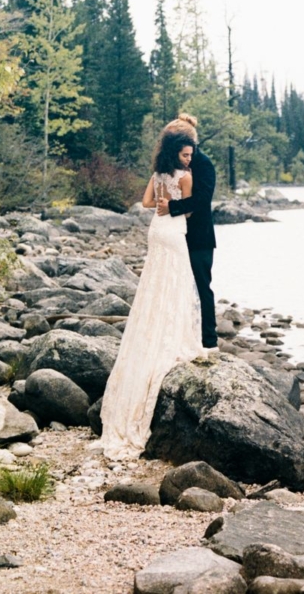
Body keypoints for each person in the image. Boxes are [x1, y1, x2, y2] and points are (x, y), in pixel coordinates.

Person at [95, 127, 205, 460]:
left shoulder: (157, 173)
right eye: (186, 154)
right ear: (177, 153)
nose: (189, 159)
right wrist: (174, 204)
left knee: (154, 282)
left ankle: (154, 327)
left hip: (155, 231)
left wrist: (161, 200)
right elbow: (188, 210)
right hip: (172, 231)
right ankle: (171, 335)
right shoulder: (185, 176)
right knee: (176, 281)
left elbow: (145, 203)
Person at [156, 113, 218, 351]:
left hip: (199, 237)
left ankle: (209, 343)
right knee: (177, 287)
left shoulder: (203, 164)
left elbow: (202, 200)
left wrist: (172, 207)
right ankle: (183, 338)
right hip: (175, 236)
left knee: (201, 287)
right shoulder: (173, 165)